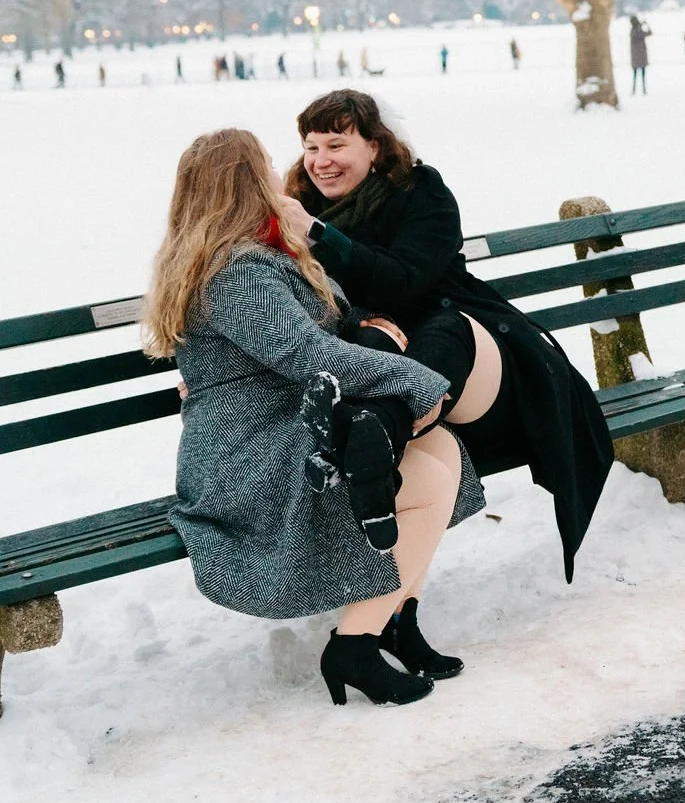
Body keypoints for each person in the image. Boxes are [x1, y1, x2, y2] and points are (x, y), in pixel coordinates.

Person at [143, 128, 484, 707]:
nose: (282, 178)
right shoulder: (235, 270)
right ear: (249, 183)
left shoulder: (249, 254)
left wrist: (363, 325)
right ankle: (353, 647)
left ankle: (395, 618)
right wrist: (416, 379)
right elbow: (304, 352)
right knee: (423, 484)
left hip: (291, 421)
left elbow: (319, 328)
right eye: (268, 168)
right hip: (248, 452)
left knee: (441, 451)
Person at [282, 89, 614, 587]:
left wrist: (320, 237)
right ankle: (372, 462)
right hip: (377, 372)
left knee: (440, 330)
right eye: (312, 147)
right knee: (381, 359)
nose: (321, 161)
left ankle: (377, 435)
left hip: (476, 368)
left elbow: (405, 279)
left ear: (374, 147)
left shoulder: (421, 193)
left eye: (336, 145)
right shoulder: (297, 210)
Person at [629, 15, 651, 94]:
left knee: (635, 75)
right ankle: (643, 90)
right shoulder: (638, 30)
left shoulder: (632, 30)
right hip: (641, 55)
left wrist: (641, 24)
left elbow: (637, 28)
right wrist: (646, 24)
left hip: (635, 56)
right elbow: (650, 33)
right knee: (642, 74)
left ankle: (634, 90)